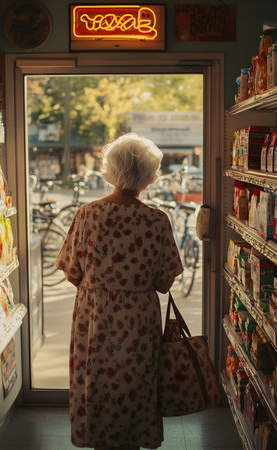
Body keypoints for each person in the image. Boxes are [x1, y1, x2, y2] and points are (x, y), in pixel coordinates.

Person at [56, 133, 183, 450]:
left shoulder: (87, 214)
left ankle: (100, 439)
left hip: (95, 315)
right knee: (137, 382)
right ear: (150, 175)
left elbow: (72, 271)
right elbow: (165, 282)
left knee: (97, 381)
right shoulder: (157, 220)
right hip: (139, 321)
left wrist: (100, 286)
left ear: (110, 168)